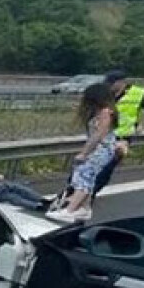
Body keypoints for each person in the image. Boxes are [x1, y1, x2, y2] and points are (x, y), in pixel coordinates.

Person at [47, 82, 118, 223]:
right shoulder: (101, 112)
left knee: (83, 174)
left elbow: (98, 135)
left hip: (102, 149)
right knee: (86, 175)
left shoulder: (105, 112)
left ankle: (71, 210)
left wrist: (84, 153)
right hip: (101, 148)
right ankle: (84, 208)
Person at [91, 69, 144, 195]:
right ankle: (75, 192)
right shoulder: (106, 93)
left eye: (112, 83)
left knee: (108, 166)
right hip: (104, 135)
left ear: (121, 82)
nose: (109, 85)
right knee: (90, 164)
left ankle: (92, 192)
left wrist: (143, 125)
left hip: (123, 137)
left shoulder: (138, 93)